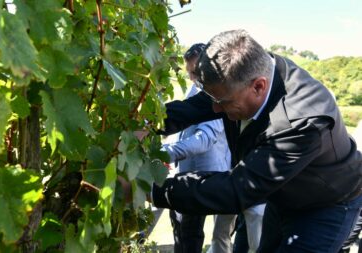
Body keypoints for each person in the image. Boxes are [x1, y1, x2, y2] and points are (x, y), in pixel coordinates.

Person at [151, 29, 362, 252]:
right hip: (284, 195)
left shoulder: (301, 121)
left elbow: (238, 189)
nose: (215, 109)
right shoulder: (244, 73)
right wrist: (146, 124)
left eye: (222, 102)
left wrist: (152, 189)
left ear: (259, 86)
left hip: (326, 205)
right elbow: (198, 106)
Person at [163, 43, 235, 253]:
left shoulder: (216, 95)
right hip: (188, 173)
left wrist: (168, 151)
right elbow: (184, 122)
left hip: (208, 177)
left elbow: (204, 139)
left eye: (195, 72)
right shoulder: (196, 89)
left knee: (202, 236)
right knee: (182, 231)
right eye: (190, 73)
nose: (193, 78)